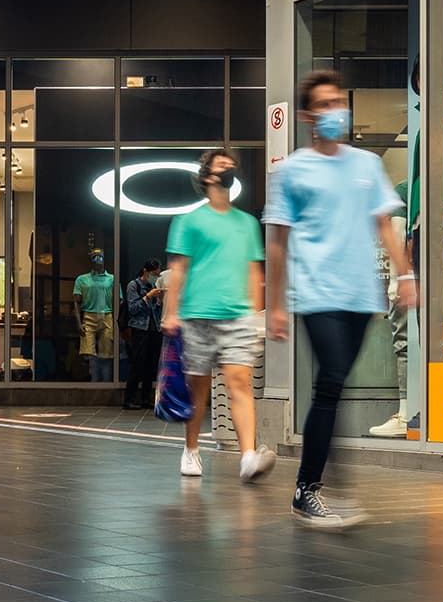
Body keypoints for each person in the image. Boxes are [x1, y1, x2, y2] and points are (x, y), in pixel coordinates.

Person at [265, 70, 415, 530]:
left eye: (338, 103)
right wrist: (274, 303)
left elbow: (383, 225)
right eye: (325, 105)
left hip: (359, 295)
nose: (335, 112)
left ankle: (331, 486)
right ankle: (307, 489)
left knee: (335, 389)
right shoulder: (292, 170)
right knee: (330, 384)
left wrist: (404, 273)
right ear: (309, 116)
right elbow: (277, 241)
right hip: (315, 293)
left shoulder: (366, 165)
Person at [165, 149, 272, 482]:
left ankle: (248, 456)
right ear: (208, 176)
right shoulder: (188, 221)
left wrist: (257, 317)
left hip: (238, 316)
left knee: (239, 383)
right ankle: (192, 449)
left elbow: (255, 271)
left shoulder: (248, 224)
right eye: (222, 165)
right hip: (197, 314)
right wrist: (171, 313)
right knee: (198, 389)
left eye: (232, 166)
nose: (229, 170)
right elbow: (178, 269)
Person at [122, 259, 164, 409]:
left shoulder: (155, 286)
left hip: (154, 329)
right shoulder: (134, 285)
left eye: (158, 275)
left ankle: (146, 399)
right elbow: (133, 309)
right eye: (154, 274)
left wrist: (160, 300)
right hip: (140, 329)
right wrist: (148, 297)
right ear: (145, 271)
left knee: (151, 366)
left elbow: (157, 310)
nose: (156, 277)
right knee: (137, 365)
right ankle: (129, 399)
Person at [74, 251, 116, 379]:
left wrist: (117, 324)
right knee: (89, 353)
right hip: (89, 316)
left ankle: (106, 384)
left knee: (106, 353)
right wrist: (78, 322)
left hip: (107, 315)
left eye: (100, 257)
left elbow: (118, 302)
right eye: (94, 257)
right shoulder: (82, 279)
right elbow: (76, 302)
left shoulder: (112, 279)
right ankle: (93, 383)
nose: (97, 260)